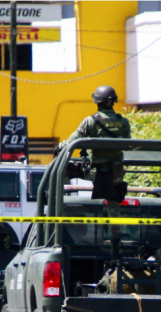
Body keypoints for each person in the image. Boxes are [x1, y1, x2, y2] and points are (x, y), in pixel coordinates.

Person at [58, 85, 131, 260]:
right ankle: (115, 248)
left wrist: (59, 146)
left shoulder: (90, 121)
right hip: (116, 175)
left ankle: (53, 201)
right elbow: (128, 144)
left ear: (97, 102)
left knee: (65, 170)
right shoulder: (123, 122)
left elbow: (71, 142)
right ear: (113, 101)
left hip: (96, 173)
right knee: (114, 204)